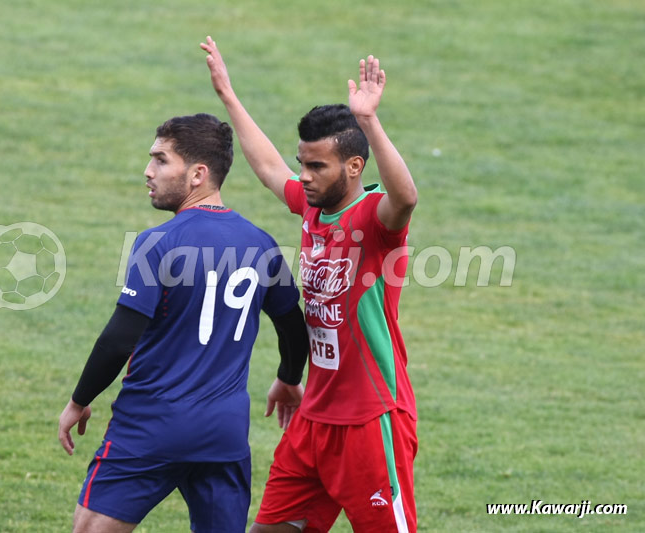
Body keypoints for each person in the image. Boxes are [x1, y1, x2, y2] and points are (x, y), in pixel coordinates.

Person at [202, 36, 419, 532]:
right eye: (304, 163)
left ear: (354, 167)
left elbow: (405, 197)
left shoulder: (374, 219)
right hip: (314, 418)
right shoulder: (312, 209)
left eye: (316, 166)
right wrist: (229, 97)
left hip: (370, 419)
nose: (305, 175)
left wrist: (369, 122)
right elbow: (267, 168)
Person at [58, 113, 309, 533]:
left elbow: (119, 339)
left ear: (197, 174)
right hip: (223, 435)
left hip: (151, 426)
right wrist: (288, 377)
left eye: (160, 160)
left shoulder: (159, 243)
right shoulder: (261, 244)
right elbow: (292, 326)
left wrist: (79, 400)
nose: (148, 171)